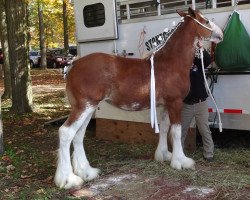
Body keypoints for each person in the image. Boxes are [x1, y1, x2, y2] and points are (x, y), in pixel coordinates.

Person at [181, 41, 214, 162]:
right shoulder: (181, 68)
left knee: (204, 130)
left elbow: (207, 61)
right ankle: (179, 153)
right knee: (181, 130)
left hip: (201, 103)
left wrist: (202, 47)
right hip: (186, 105)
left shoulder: (198, 62)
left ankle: (209, 154)